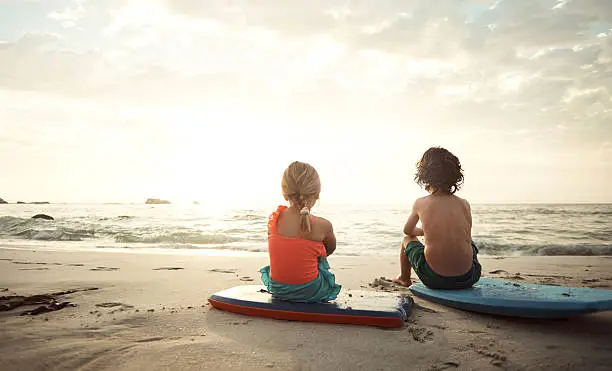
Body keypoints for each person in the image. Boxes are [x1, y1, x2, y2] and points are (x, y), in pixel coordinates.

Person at [393, 147, 482, 289]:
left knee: (407, 240)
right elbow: (466, 236)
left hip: (434, 279)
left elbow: (407, 231)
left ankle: (404, 278)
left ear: (424, 175)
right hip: (470, 277)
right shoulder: (464, 204)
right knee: (468, 241)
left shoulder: (420, 203)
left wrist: (424, 231)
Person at [259, 161, 341, 302]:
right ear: (317, 194)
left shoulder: (274, 220)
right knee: (319, 258)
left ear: (285, 194)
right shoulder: (324, 225)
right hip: (311, 291)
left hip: (278, 289)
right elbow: (330, 250)